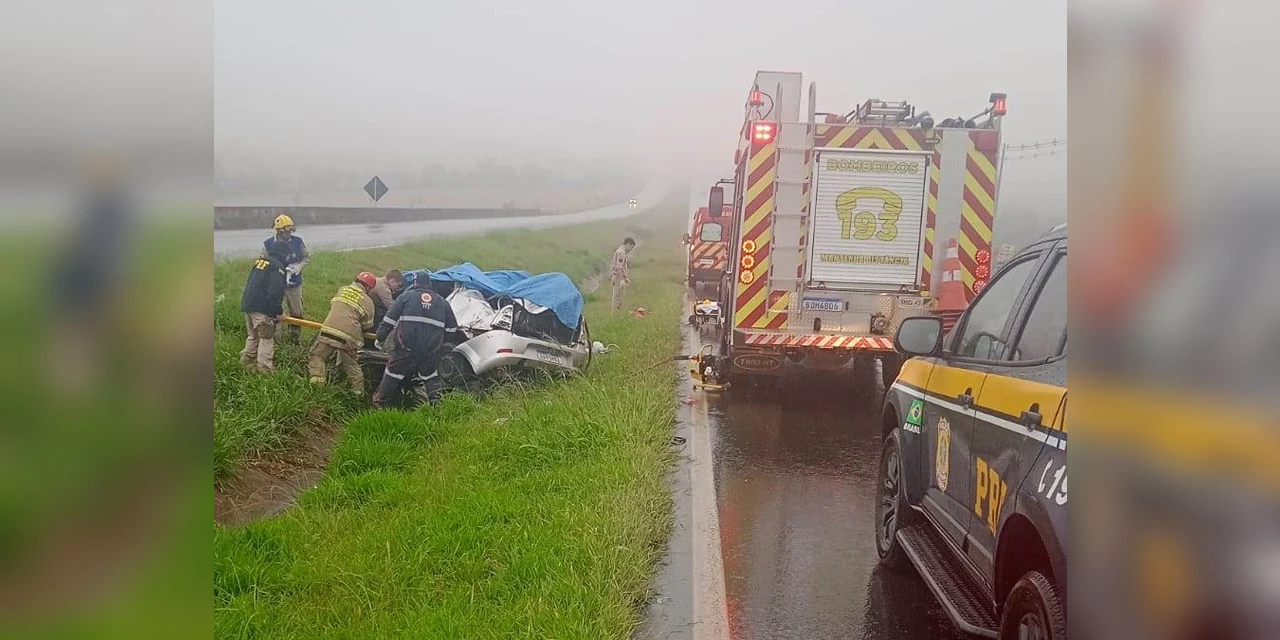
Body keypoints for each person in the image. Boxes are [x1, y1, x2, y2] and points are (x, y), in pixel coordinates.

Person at [373, 270, 466, 408]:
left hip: (406, 347)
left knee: (393, 373)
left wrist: (380, 337)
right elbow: (452, 328)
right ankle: (437, 407)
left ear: (415, 282)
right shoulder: (443, 302)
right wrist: (440, 344)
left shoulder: (405, 297)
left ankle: (381, 403)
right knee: (430, 377)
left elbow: (389, 320)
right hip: (430, 349)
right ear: (429, 284)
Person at [307, 272, 377, 394]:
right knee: (351, 364)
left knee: (317, 355)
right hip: (349, 337)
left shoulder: (342, 289)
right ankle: (357, 393)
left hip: (328, 330)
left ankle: (317, 389)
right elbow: (367, 326)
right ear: (369, 288)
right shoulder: (368, 301)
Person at [239, 242, 290, 372]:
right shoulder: (277, 267)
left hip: (248, 304)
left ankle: (246, 361)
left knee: (253, 335)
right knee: (266, 336)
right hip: (261, 307)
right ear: (285, 255)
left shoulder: (260, 262)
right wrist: (275, 313)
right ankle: (264, 368)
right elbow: (274, 292)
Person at [261, 214, 310, 342]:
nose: (290, 234)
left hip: (294, 284)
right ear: (279, 231)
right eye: (287, 231)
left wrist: (299, 266)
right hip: (275, 284)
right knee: (274, 311)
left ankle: (295, 338)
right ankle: (275, 339)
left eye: (291, 230)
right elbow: (263, 262)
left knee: (297, 312)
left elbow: (306, 258)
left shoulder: (297, 242)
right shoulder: (268, 244)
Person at [611, 236, 636, 312]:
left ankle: (616, 313)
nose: (631, 249)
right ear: (628, 244)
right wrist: (622, 279)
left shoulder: (621, 251)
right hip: (619, 278)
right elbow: (619, 267)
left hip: (619, 277)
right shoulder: (621, 252)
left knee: (619, 298)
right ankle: (615, 315)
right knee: (617, 298)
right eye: (631, 247)